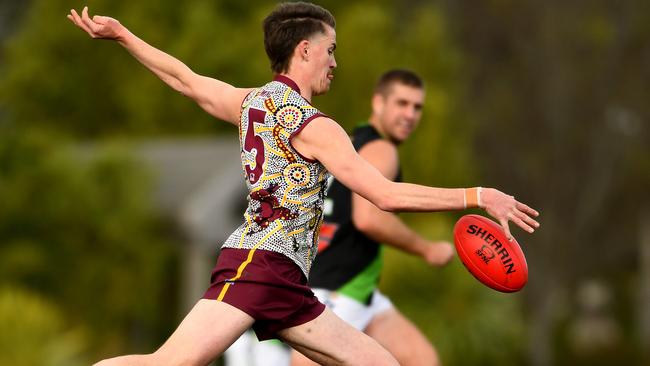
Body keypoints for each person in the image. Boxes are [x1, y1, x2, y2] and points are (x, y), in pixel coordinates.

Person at [67, 3, 540, 366]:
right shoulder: (318, 126)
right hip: (258, 264)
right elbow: (385, 195)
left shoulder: (249, 102)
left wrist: (123, 35)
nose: (334, 61)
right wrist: (477, 196)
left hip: (288, 280)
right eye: (331, 49)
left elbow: (185, 80)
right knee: (171, 362)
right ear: (306, 50)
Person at [292, 69, 451, 366]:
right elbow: (368, 218)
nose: (410, 114)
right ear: (378, 103)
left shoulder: (351, 141)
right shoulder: (383, 149)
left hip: (357, 289)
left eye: (417, 107)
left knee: (422, 359)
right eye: (401, 103)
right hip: (338, 287)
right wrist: (426, 248)